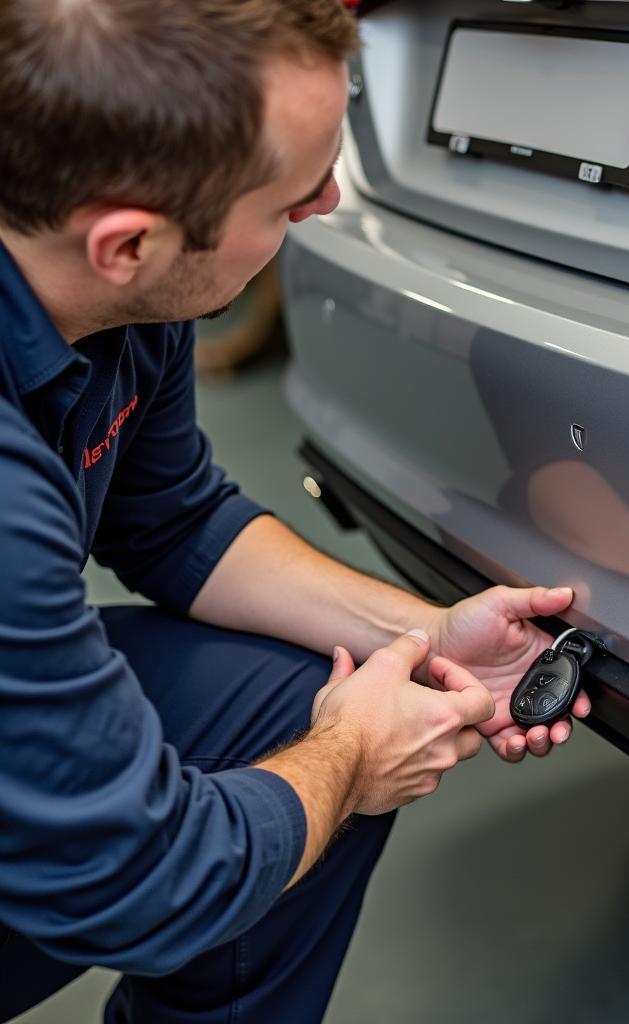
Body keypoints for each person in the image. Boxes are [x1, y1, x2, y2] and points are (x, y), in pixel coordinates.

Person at [0, 2, 589, 1021]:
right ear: (128, 243)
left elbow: (175, 522)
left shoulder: (121, 294)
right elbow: (142, 888)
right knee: (322, 757)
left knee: (298, 703)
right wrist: (354, 755)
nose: (324, 202)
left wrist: (428, 636)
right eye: (287, 197)